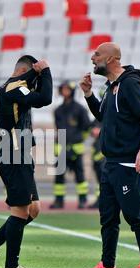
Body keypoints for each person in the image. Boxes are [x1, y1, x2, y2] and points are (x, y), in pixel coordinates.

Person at [78, 42, 140, 268]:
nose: (92, 58)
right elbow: (103, 116)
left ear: (112, 59)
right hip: (110, 163)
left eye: (97, 54)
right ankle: (107, 266)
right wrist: (88, 94)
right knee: (108, 217)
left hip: (127, 164)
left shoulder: (131, 84)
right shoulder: (111, 86)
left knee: (135, 216)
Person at [0, 55, 52, 268]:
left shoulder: (17, 89)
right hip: (13, 154)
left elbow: (39, 95)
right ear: (22, 72)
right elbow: (45, 99)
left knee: (34, 209)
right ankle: (12, 265)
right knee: (21, 210)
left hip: (21, 154)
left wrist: (39, 75)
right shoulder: (12, 87)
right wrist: (45, 71)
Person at [50, 80, 92, 209]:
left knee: (80, 177)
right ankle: (59, 201)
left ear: (72, 91)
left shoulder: (80, 109)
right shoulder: (58, 110)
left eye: (67, 89)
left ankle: (82, 200)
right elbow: (58, 129)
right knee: (59, 177)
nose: (65, 91)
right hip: (61, 149)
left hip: (76, 149)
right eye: (63, 89)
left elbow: (86, 128)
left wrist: (78, 140)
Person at [88, 120, 106, 209]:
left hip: (105, 155)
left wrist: (101, 130)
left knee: (105, 180)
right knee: (99, 181)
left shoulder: (111, 114)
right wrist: (93, 130)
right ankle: (100, 200)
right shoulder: (98, 115)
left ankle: (103, 201)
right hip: (97, 156)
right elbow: (89, 127)